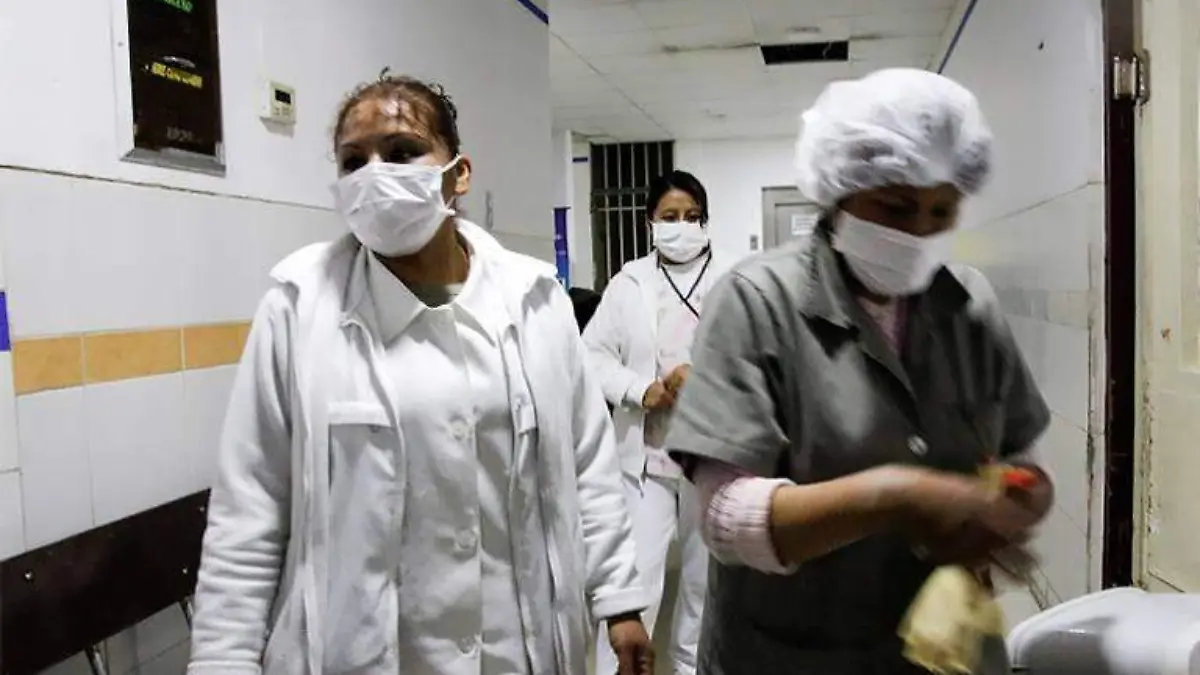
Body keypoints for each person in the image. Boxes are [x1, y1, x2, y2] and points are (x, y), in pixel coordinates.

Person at [186, 73, 654, 675]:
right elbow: (249, 509)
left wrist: (619, 601)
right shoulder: (298, 308)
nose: (375, 174)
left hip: (518, 647)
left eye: (403, 152)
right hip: (365, 652)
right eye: (354, 161)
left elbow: (587, 464)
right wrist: (224, 662)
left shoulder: (535, 301)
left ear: (458, 174)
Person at [665, 68, 1056, 674]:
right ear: (840, 190)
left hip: (946, 655)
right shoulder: (757, 301)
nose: (919, 231)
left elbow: (1021, 457)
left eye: (941, 210)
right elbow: (724, 518)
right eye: (896, 206)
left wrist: (1014, 500)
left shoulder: (968, 306)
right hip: (791, 656)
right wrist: (897, 495)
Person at [584, 170, 722, 675]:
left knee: (705, 587)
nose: (681, 226)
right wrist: (644, 390)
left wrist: (707, 380)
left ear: (706, 222)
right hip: (650, 456)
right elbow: (591, 356)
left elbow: (758, 358)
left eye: (692, 217)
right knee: (636, 577)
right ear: (650, 223)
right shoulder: (629, 283)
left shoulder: (732, 279)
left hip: (712, 454)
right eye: (669, 217)